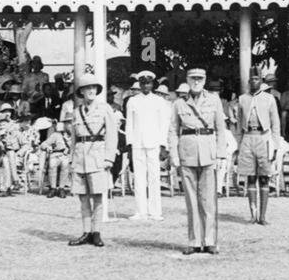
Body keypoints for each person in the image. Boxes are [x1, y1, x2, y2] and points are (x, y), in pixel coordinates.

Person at [168, 67, 228, 255]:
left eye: (200, 78)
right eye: (193, 78)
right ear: (187, 80)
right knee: (191, 201)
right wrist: (174, 155)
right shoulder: (179, 103)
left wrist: (220, 155)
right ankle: (194, 241)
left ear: (204, 80)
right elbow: (172, 131)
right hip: (187, 153)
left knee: (208, 200)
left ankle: (209, 241)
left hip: (208, 153)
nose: (196, 82)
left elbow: (220, 129)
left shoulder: (214, 100)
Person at [65, 75, 117, 247]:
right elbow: (73, 138)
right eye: (87, 88)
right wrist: (72, 159)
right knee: (83, 198)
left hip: (98, 157)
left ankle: (96, 232)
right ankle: (86, 232)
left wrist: (109, 158)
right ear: (81, 91)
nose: (91, 91)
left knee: (98, 196)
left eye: (94, 88)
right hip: (80, 158)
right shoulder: (76, 112)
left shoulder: (104, 109)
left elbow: (112, 135)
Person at [235, 69, 281, 224]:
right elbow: (239, 124)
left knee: (264, 177)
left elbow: (276, 124)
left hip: (264, 138)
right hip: (248, 138)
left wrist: (275, 145)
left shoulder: (269, 99)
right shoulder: (242, 99)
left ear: (261, 81)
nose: (254, 82)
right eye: (251, 79)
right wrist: (239, 145)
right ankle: (253, 215)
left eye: (257, 79)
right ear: (248, 82)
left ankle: (263, 216)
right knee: (251, 177)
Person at [126, 70, 171, 221]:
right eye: (143, 83)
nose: (146, 86)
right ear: (139, 84)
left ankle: (155, 212)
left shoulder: (159, 101)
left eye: (149, 83)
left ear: (153, 84)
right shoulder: (132, 101)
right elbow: (129, 124)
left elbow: (163, 124)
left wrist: (163, 145)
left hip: (154, 143)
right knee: (138, 177)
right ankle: (140, 211)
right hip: (137, 143)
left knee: (154, 177)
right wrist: (129, 143)